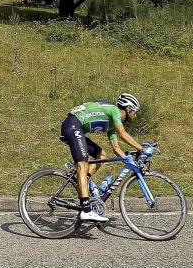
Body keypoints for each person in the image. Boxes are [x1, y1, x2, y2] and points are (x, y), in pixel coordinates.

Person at [63, 93, 147, 222]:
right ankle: (86, 210)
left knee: (102, 155)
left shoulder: (111, 124)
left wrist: (130, 162)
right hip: (73, 124)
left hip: (75, 127)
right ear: (129, 109)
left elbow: (116, 149)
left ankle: (83, 179)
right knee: (82, 164)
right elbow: (122, 134)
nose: (135, 115)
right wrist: (141, 148)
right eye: (134, 112)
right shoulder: (114, 110)